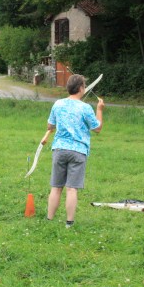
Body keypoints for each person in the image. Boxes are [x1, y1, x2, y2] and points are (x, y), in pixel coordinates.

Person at [43, 74, 104, 228]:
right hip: (78, 152)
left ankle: (49, 219)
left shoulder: (58, 104)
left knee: (56, 187)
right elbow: (97, 128)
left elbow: (50, 126)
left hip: (59, 150)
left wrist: (54, 126)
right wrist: (99, 109)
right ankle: (69, 223)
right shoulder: (85, 108)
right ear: (81, 88)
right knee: (71, 189)